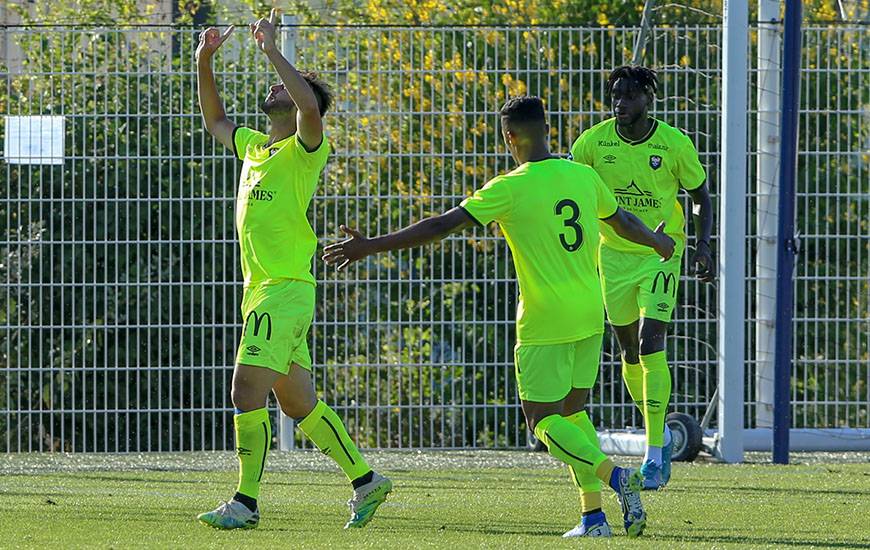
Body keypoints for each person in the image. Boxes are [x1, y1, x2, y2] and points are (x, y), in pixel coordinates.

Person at [323, 96, 676, 538]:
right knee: (573, 415)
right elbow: (622, 220)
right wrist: (656, 244)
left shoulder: (509, 186)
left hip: (545, 320)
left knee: (543, 423)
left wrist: (369, 245)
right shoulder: (583, 176)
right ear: (547, 129)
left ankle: (618, 478)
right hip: (590, 312)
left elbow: (439, 225)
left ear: (509, 137)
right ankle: (593, 518)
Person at [194, 9, 391, 530]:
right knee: (298, 402)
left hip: (280, 290)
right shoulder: (258, 147)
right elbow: (215, 120)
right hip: (272, 289)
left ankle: (246, 502)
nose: (276, 91)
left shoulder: (307, 148)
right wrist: (204, 61)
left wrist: (271, 50)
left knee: (244, 391)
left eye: (287, 87)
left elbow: (307, 104)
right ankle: (366, 480)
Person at [569, 65, 714, 490]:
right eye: (616, 95)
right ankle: (663, 435)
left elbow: (700, 195)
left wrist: (703, 245)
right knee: (629, 354)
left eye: (630, 96)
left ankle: (654, 453)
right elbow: (573, 193)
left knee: (652, 346)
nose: (621, 103)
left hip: (661, 252)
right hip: (612, 256)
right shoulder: (593, 143)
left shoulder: (673, 143)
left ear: (648, 100)